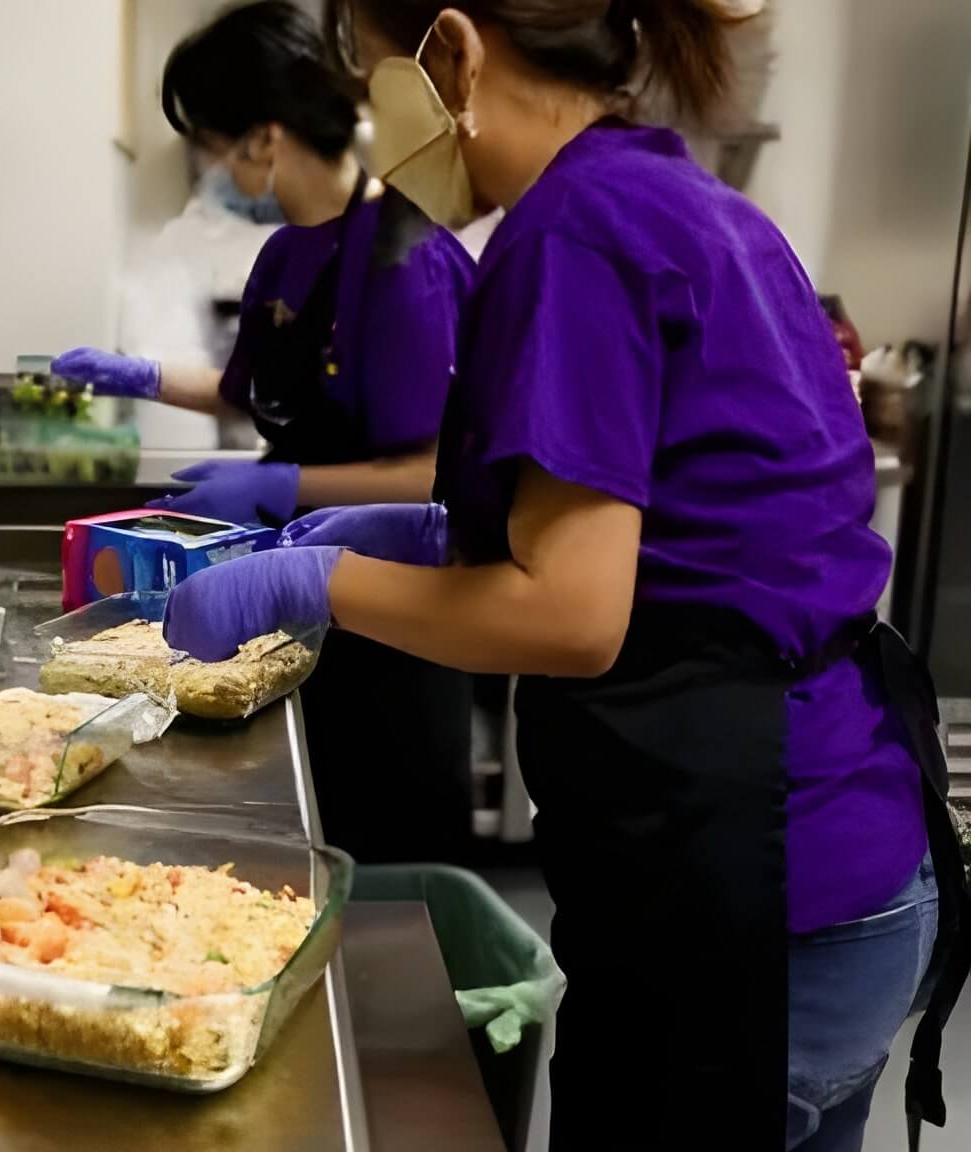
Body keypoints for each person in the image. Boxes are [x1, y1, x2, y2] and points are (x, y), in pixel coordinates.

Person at [161, 2, 971, 1149]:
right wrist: (428, 534)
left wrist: (309, 586)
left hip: (753, 879)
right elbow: (673, 528)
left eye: (375, 76)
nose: (372, 123)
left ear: (452, 53)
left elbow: (570, 613)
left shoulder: (574, 231)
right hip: (850, 856)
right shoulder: (668, 196)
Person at [57, 0, 479, 864]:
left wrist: (282, 484)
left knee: (385, 852)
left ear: (262, 139)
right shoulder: (287, 253)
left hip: (393, 612)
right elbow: (254, 394)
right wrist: (139, 374)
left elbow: (428, 475)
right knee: (297, 830)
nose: (207, 165)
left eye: (209, 142)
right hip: (291, 599)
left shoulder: (404, 260)